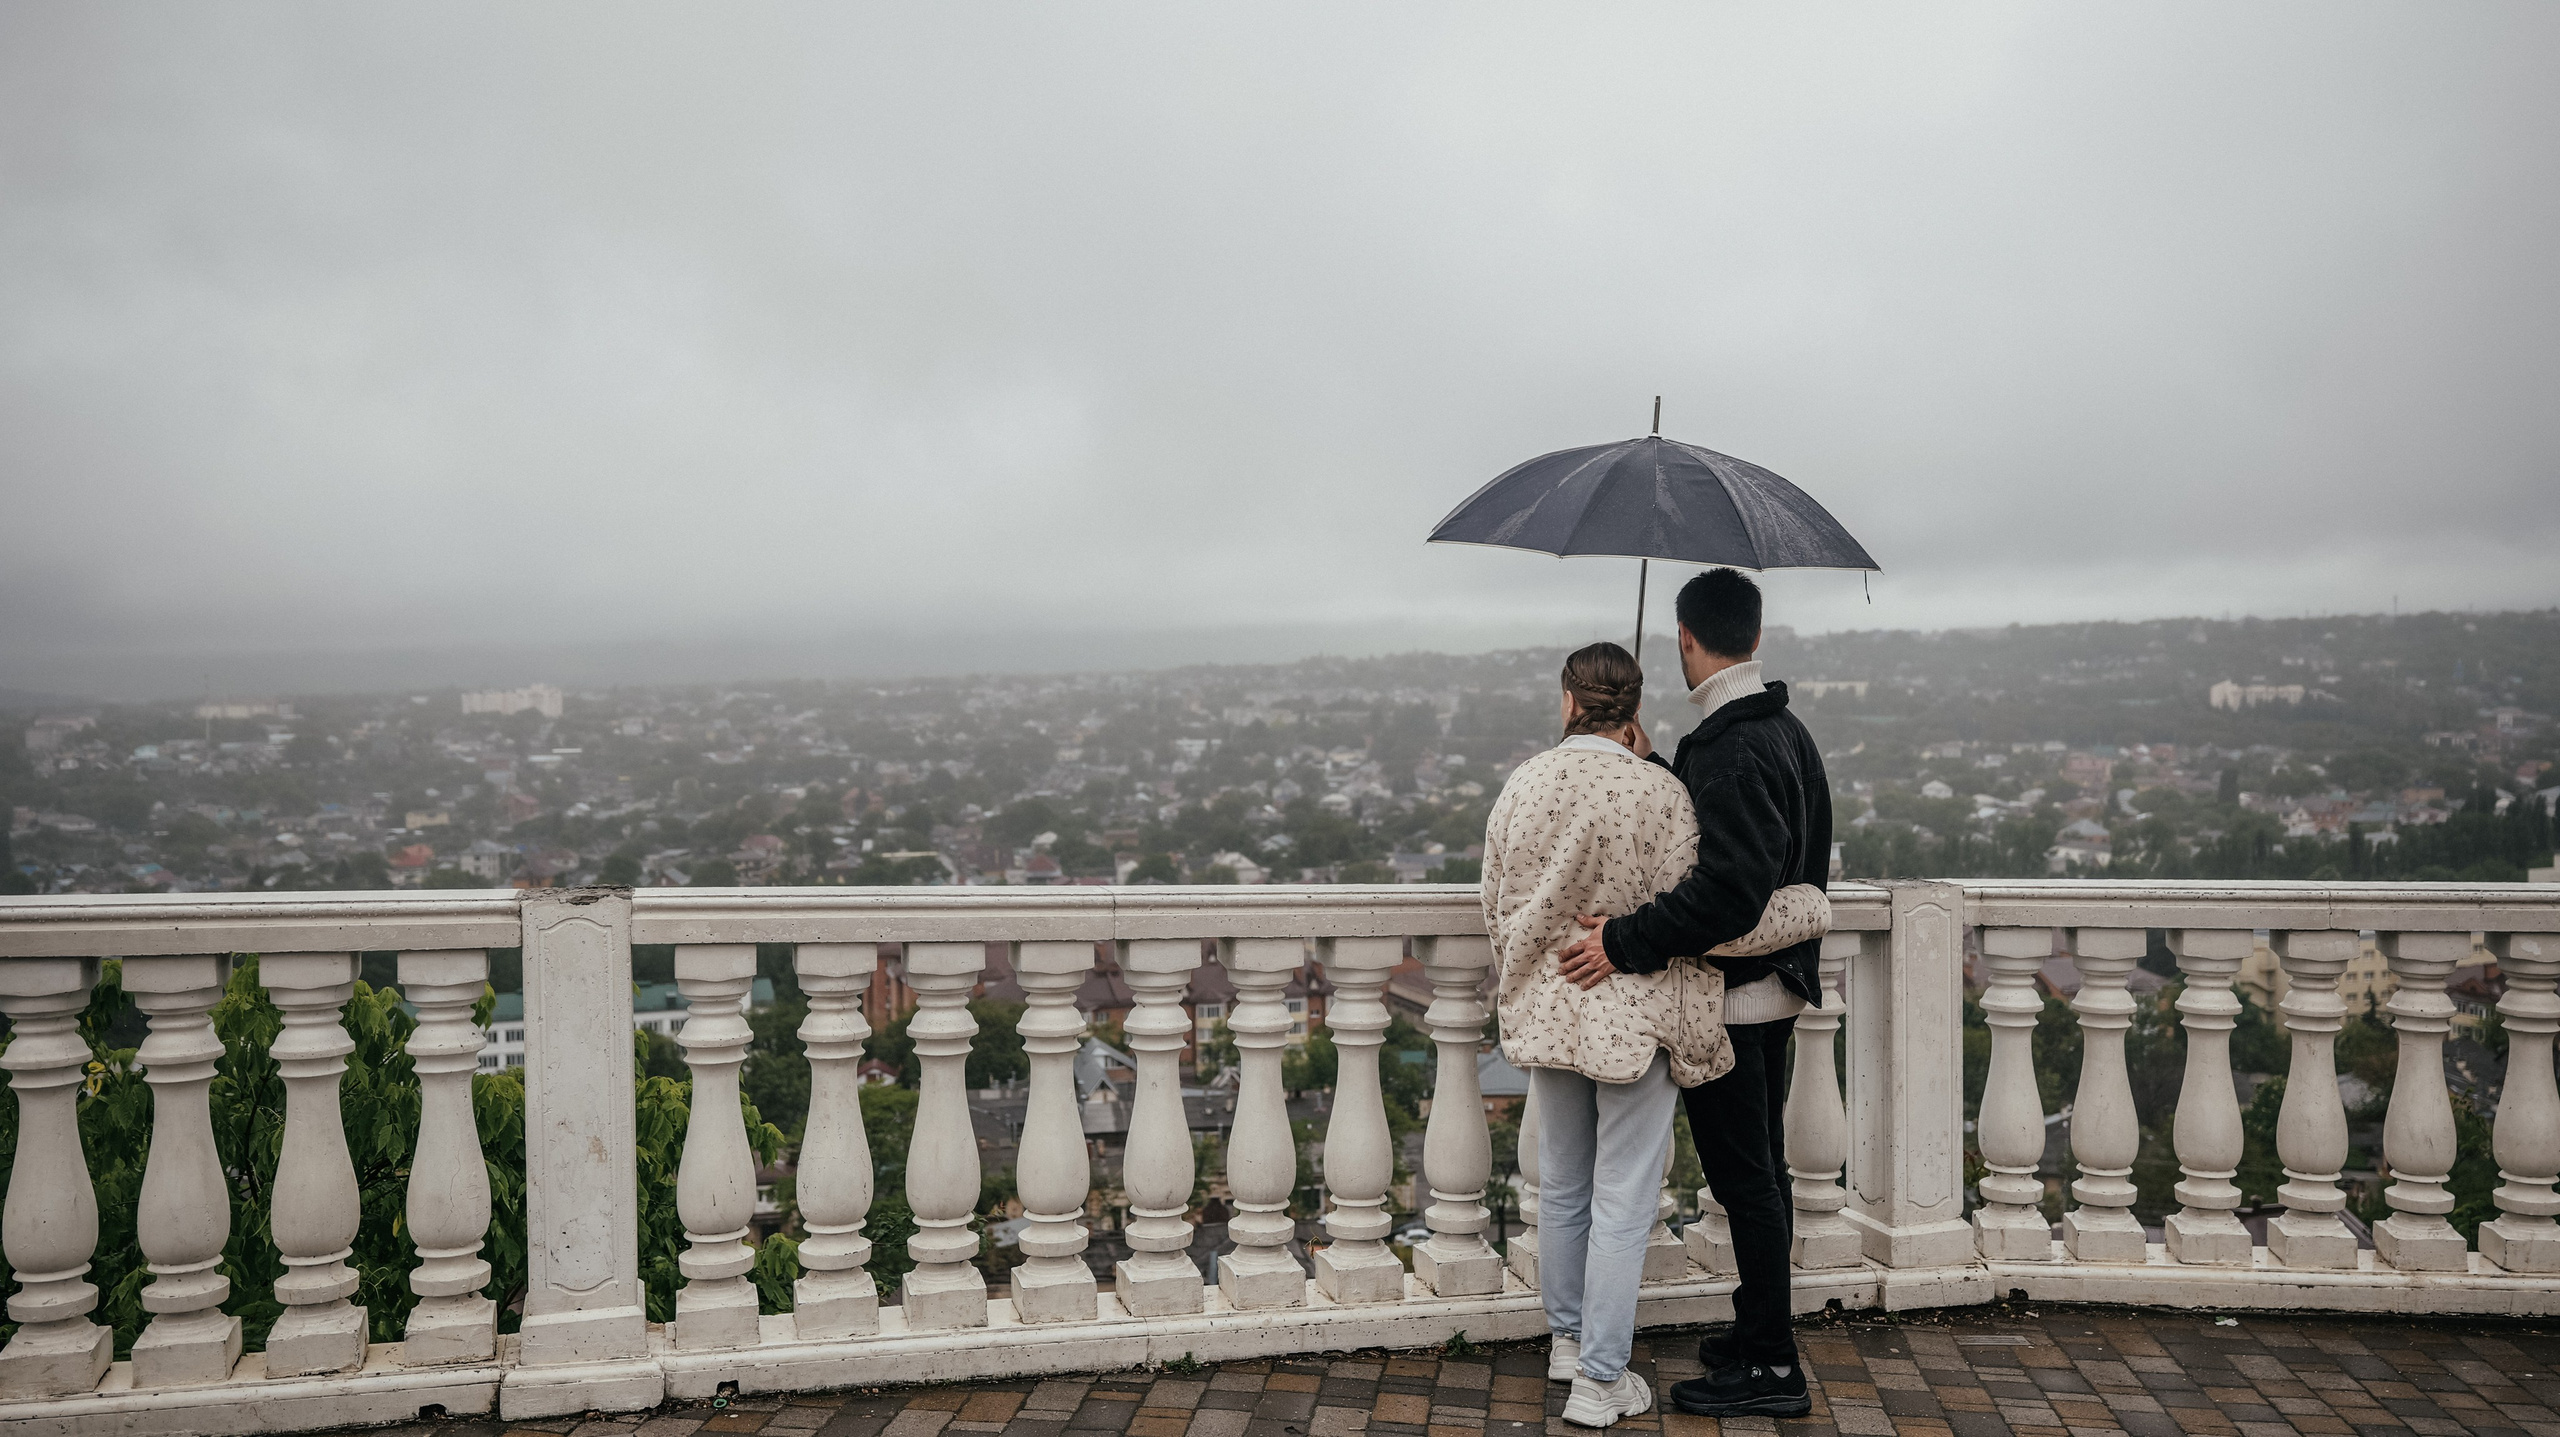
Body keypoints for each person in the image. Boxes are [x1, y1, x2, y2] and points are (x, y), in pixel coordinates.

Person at [1483, 641, 1827, 1429]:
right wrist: (1808, 906)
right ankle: (1601, 1379)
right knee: (1624, 1196)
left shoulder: (1523, 784)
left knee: (1564, 1186)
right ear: (1635, 710)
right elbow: (1694, 909)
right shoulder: (1664, 795)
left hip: (1552, 1005)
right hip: (1633, 1016)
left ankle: (1568, 1342)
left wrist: (1534, 970)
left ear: (1568, 702)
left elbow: (1496, 903)